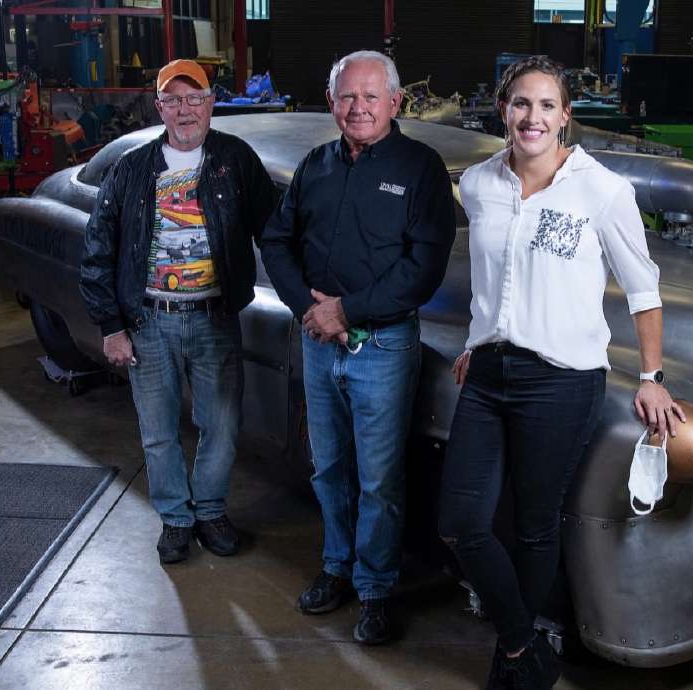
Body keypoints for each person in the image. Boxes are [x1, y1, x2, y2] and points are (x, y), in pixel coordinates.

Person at [437, 56, 686, 689]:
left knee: (533, 522)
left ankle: (511, 659)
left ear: (566, 116)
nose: (533, 117)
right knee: (463, 523)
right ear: (503, 110)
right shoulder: (479, 185)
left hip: (562, 381)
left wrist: (653, 376)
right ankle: (524, 647)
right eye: (521, 103)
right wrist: (477, 337)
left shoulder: (601, 191)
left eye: (547, 106)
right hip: (489, 375)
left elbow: (643, 289)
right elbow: (488, 281)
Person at [260, 50, 456, 645]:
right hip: (320, 345)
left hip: (385, 348)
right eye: (347, 96)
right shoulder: (315, 166)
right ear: (331, 101)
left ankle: (375, 589)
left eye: (371, 96)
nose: (358, 107)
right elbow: (275, 240)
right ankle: (336, 567)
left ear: (395, 103)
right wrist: (311, 310)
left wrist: (346, 310)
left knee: (379, 479)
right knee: (328, 468)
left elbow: (424, 269)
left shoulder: (422, 169)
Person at [80, 59, 274, 565]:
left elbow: (275, 234)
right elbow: (99, 248)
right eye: (174, 99)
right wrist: (110, 326)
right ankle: (176, 518)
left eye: (195, 98)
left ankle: (209, 509)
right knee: (159, 430)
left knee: (223, 424)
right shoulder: (133, 168)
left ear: (211, 102)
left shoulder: (236, 160)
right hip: (149, 321)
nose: (185, 110)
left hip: (215, 317)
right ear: (159, 105)